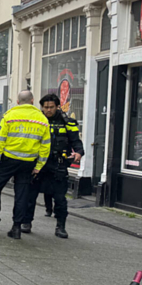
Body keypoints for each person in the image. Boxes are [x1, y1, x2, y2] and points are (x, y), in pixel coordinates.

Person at [21, 94, 83, 238]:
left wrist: (79, 152)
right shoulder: (35, 121)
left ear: (57, 107)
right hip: (37, 165)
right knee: (30, 196)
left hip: (58, 165)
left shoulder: (66, 122)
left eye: (51, 107)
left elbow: (76, 142)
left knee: (60, 199)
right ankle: (26, 222)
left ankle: (60, 226)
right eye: (45, 107)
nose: (48, 110)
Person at [0, 90, 51, 239]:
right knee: (22, 195)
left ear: (18, 102)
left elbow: (0, 141)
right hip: (28, 162)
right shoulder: (42, 119)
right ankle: (17, 227)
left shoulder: (9, 116)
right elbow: (45, 146)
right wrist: (39, 166)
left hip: (8, 160)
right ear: (32, 101)